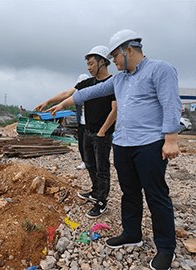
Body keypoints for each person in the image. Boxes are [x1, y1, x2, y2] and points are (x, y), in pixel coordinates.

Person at [46, 29, 182, 270]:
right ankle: (132, 233)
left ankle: (166, 248)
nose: (114, 61)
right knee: (129, 193)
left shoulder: (160, 69)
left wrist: (170, 139)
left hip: (149, 144)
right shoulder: (119, 80)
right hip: (123, 145)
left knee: (156, 195)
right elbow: (88, 92)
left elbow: (171, 103)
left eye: (115, 56)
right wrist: (62, 104)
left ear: (128, 50)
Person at [35, 45, 117, 219]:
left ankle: (101, 201)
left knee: (102, 168)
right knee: (89, 162)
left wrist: (103, 131)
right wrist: (48, 102)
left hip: (102, 133)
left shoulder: (112, 83)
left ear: (102, 62)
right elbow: (67, 93)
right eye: (87, 64)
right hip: (86, 131)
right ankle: (95, 192)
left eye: (91, 64)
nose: (88, 68)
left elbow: (115, 110)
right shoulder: (87, 83)